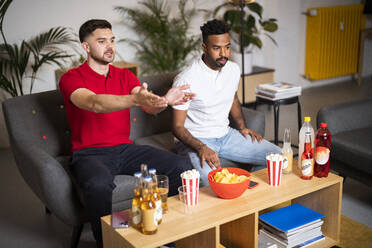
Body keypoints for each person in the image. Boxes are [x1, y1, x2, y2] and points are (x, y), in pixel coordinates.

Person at [59, 19, 194, 247]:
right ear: (86, 47)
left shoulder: (125, 76)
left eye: (112, 40)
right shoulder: (71, 78)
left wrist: (166, 100)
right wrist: (135, 98)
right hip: (90, 154)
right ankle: (108, 240)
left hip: (125, 149)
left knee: (181, 167)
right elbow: (94, 103)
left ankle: (163, 230)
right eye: (101, 41)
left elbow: (150, 107)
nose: (109, 46)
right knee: (98, 185)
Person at [172, 19, 281, 187]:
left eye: (227, 47)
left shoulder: (233, 69)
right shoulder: (186, 80)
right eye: (216, 48)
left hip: (226, 135)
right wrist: (201, 147)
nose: (224, 54)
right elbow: (178, 127)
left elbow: (233, 99)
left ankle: (248, 194)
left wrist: (242, 127)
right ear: (204, 48)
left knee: (277, 157)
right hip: (196, 139)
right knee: (210, 182)